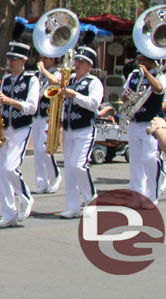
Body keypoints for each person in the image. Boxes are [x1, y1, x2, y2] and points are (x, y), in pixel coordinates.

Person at [0, 17, 40, 228]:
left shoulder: (32, 79)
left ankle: (26, 197)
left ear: (23, 61)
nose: (9, 62)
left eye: (14, 59)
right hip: (5, 128)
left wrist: (9, 100)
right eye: (9, 58)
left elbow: (31, 107)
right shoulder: (7, 80)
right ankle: (8, 213)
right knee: (2, 172)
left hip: (21, 127)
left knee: (11, 168)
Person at [58, 34, 104, 218]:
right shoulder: (70, 81)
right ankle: (73, 206)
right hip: (68, 129)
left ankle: (91, 198)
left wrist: (74, 95)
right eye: (77, 59)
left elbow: (94, 104)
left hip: (85, 129)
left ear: (89, 66)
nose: (77, 63)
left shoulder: (94, 82)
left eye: (82, 61)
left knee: (79, 166)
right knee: (69, 168)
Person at [122, 48, 166, 202]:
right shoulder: (133, 76)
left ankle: (153, 194)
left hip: (152, 124)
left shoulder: (161, 77)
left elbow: (159, 90)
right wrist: (127, 99)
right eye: (139, 60)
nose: (141, 63)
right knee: (136, 161)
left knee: (149, 158)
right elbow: (126, 95)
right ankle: (138, 194)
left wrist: (147, 73)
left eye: (144, 60)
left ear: (152, 62)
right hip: (135, 122)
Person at [31, 51, 62, 194]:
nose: (42, 60)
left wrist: (42, 69)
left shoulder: (59, 72)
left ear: (54, 59)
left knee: (44, 148)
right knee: (37, 149)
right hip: (37, 114)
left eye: (45, 58)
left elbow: (55, 82)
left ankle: (54, 176)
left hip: (49, 113)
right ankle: (41, 181)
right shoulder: (39, 75)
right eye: (41, 57)